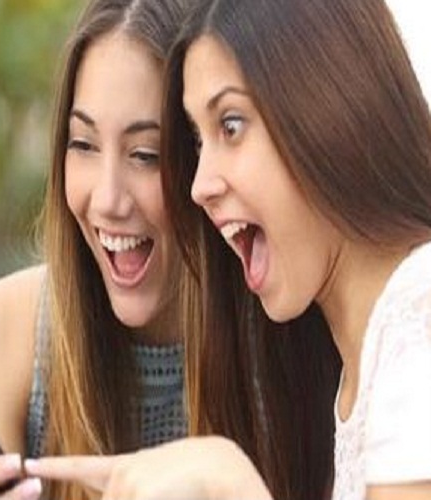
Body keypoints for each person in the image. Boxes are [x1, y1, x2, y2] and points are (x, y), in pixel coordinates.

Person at [26, 0, 431, 499]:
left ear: (330, 109)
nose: (199, 186)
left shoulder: (419, 319)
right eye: (198, 141)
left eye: (231, 126)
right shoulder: (356, 372)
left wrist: (231, 481)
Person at [0, 0, 198, 499]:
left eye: (146, 155)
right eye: (84, 144)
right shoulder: (9, 328)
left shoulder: (278, 341)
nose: (107, 199)